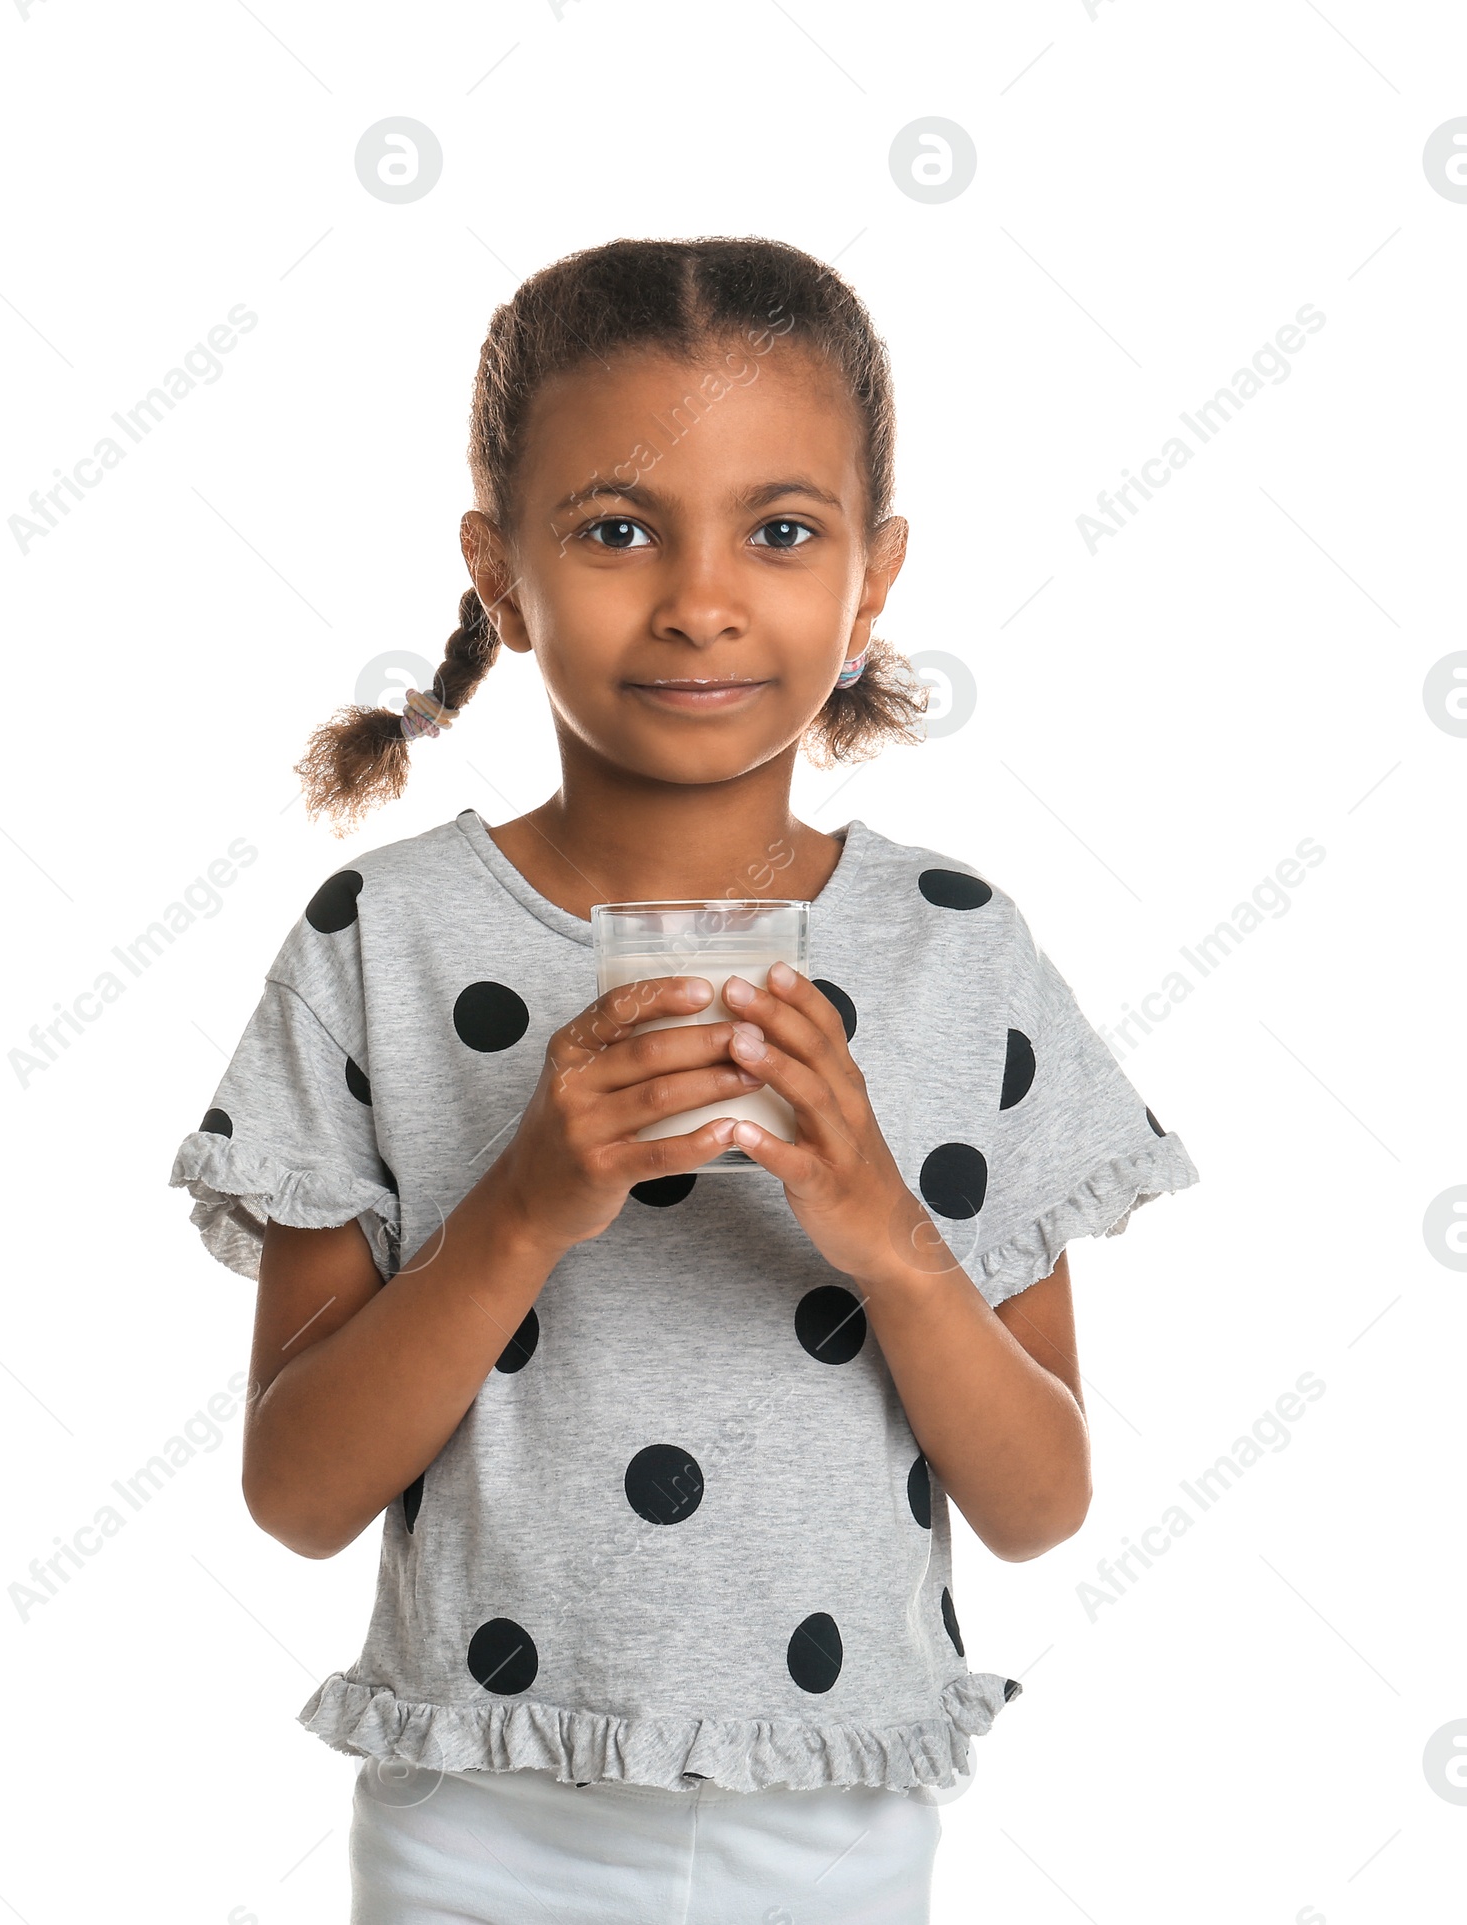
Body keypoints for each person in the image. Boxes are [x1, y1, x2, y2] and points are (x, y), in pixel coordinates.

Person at [170, 236, 1198, 1924]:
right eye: (617, 529)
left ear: (872, 578)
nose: (702, 596)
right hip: (477, 1827)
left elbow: (1038, 1501)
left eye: (781, 532)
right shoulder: (387, 938)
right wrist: (521, 1206)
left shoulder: (960, 952)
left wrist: (882, 1230)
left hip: (836, 1825)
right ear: (500, 578)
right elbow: (297, 1493)